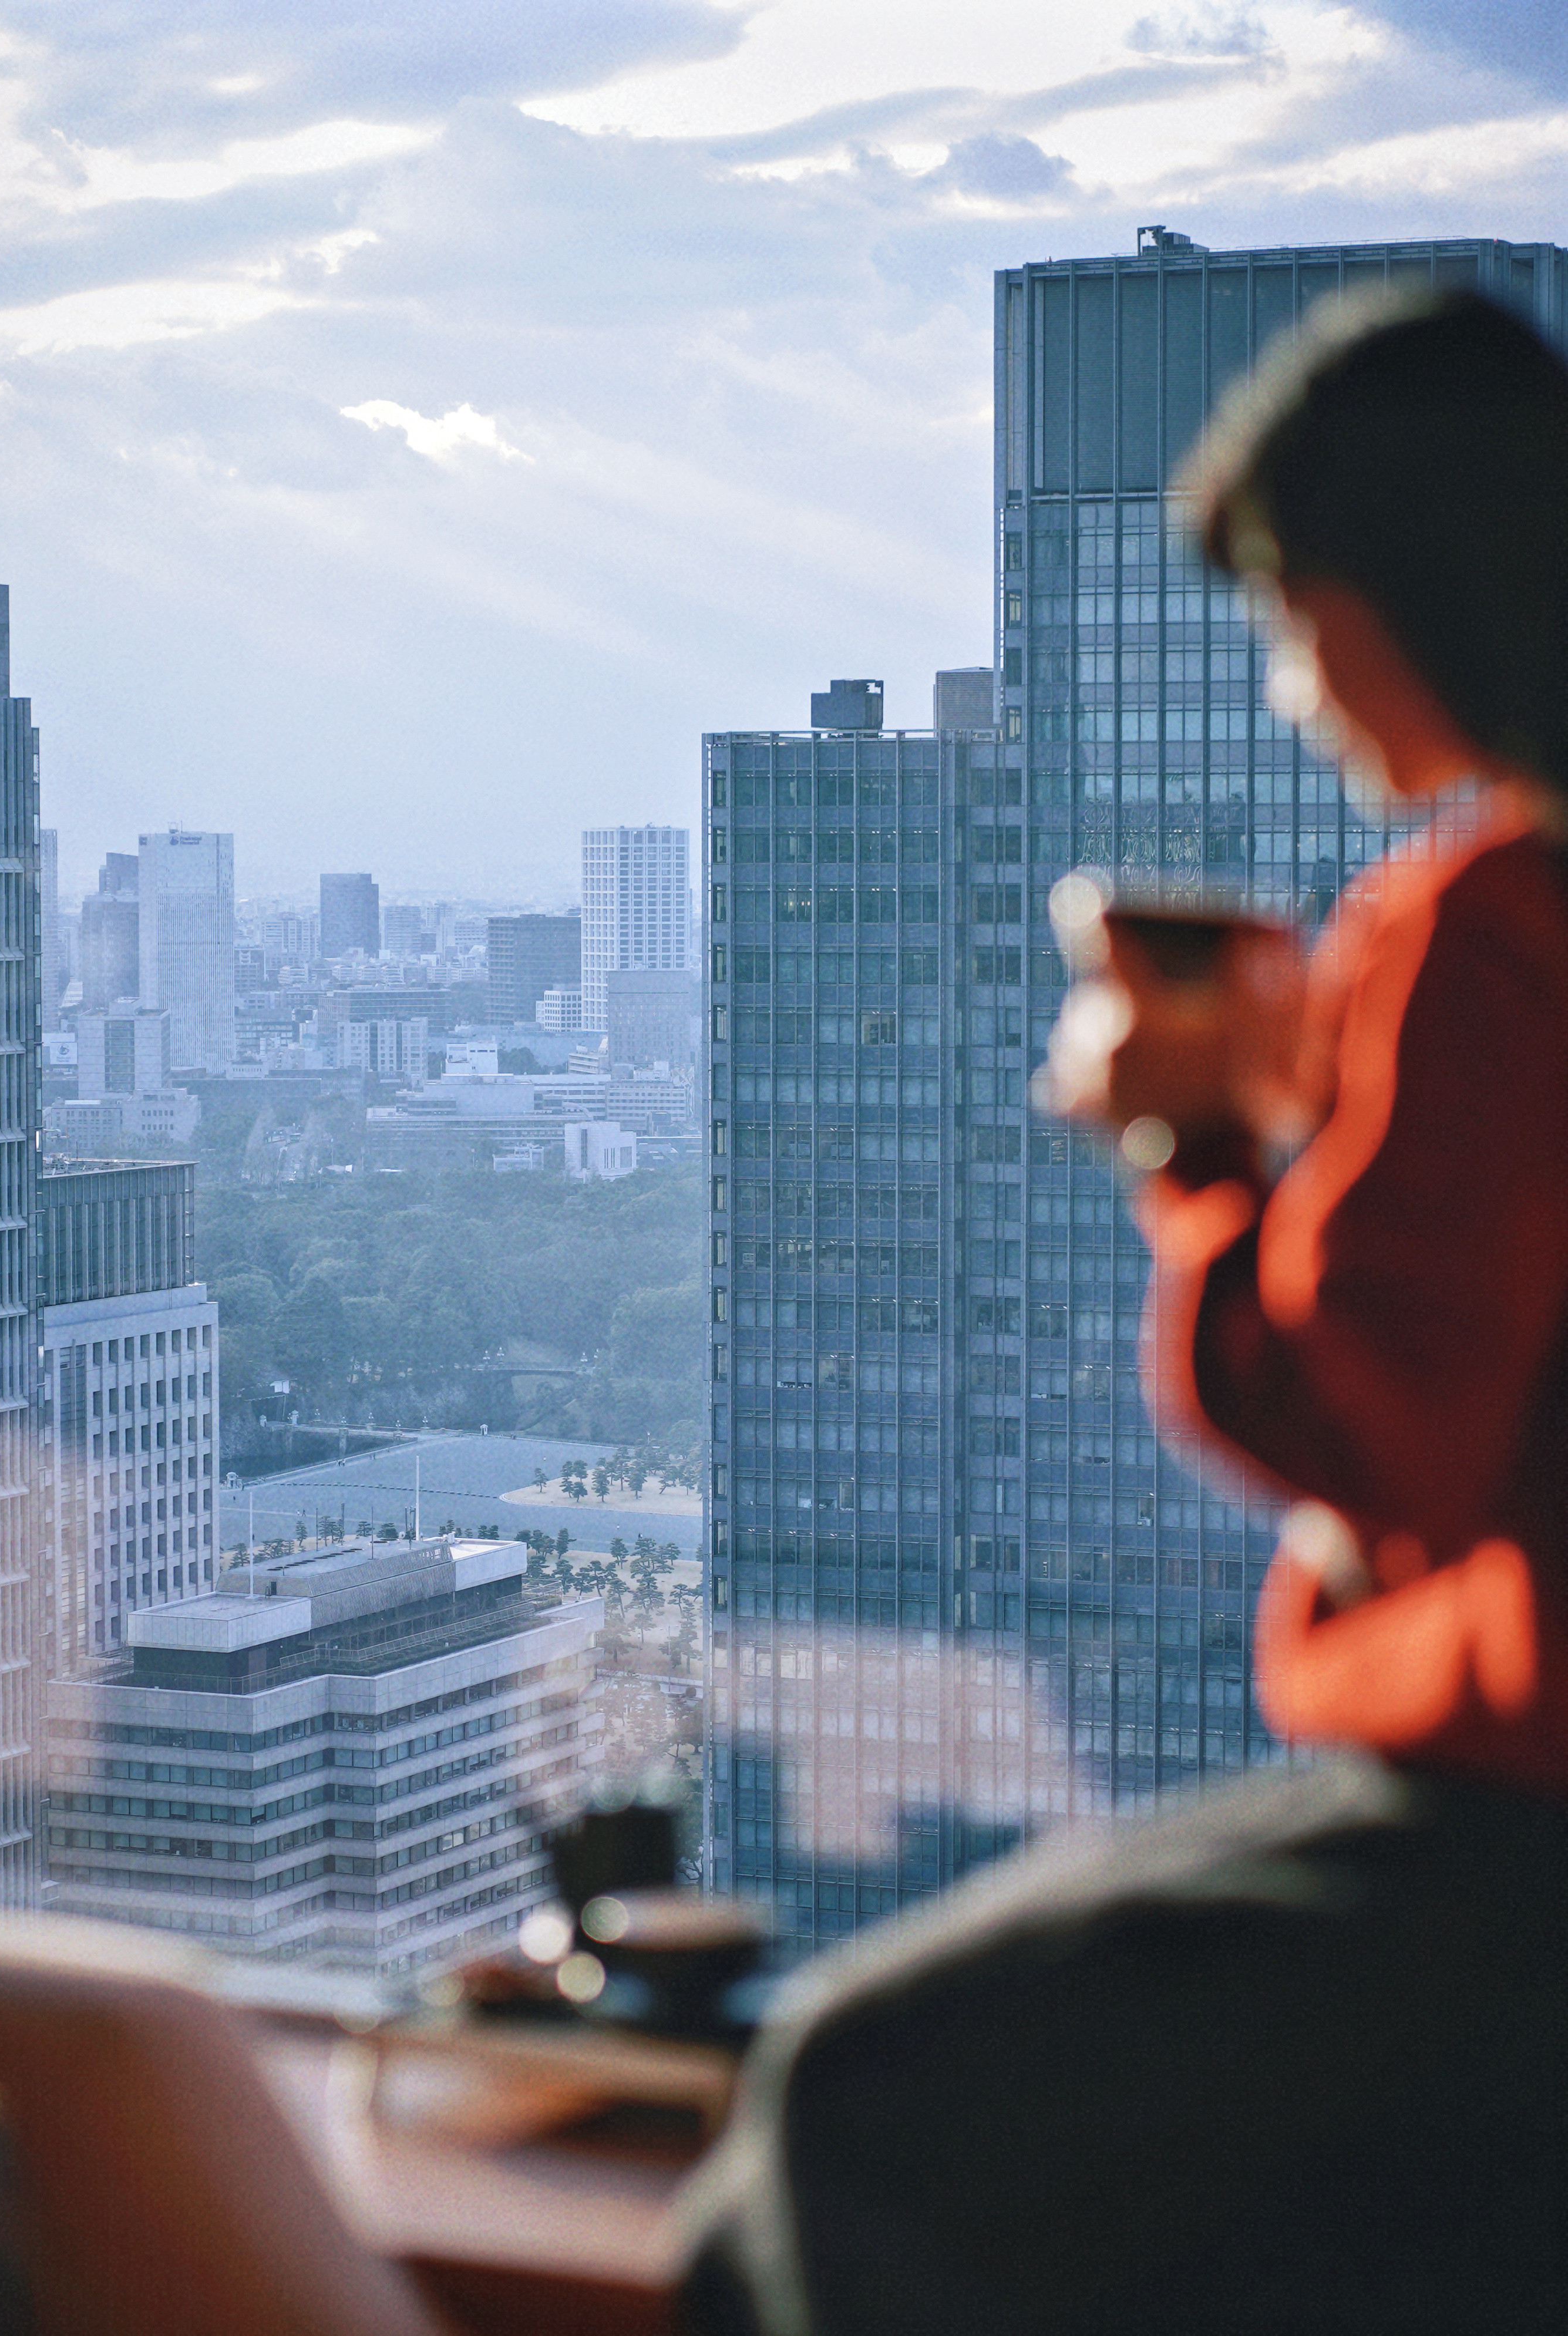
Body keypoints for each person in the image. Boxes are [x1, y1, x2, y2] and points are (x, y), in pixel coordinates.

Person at [678, 292, 1568, 2336]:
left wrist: (1196, 1153)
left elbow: (1371, 1420)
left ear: (1397, 583)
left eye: (1285, 612)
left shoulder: (1482, 914)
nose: (1289, 688)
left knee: (845, 2099)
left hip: (1507, 1823)